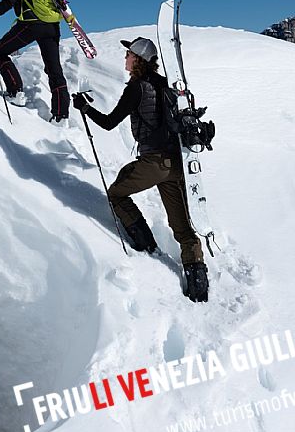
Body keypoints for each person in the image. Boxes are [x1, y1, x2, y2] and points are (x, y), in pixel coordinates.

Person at [72, 36, 209, 302]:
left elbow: (110, 122)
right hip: (176, 163)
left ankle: (145, 245)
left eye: (128, 55)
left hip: (154, 163)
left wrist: (85, 108)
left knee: (117, 193)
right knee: (182, 228)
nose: (125, 58)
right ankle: (198, 285)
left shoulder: (137, 88)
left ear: (137, 59)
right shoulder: (165, 85)